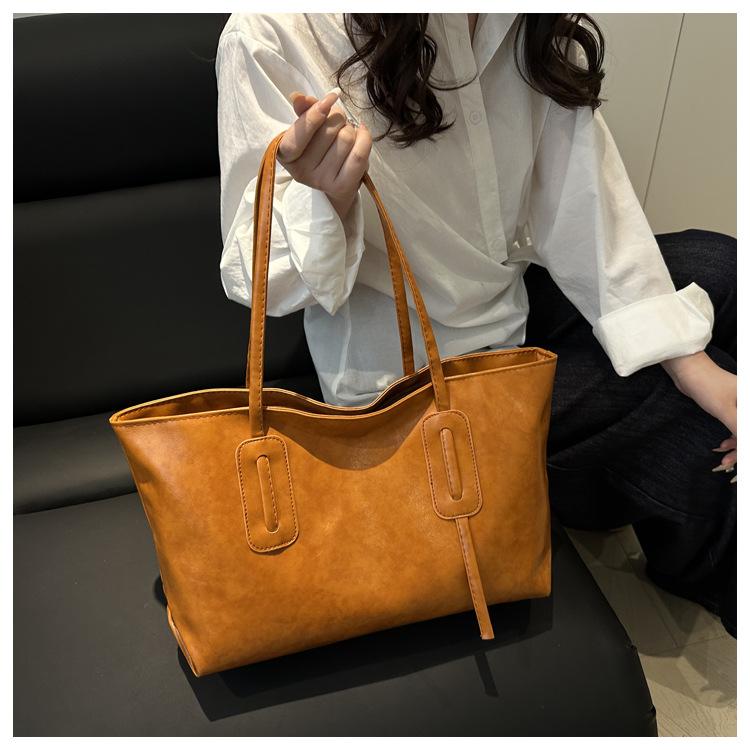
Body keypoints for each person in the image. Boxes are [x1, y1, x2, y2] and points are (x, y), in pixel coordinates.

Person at [215, 13, 737, 637]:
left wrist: (690, 363)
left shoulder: (522, 24)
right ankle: (702, 560)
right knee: (685, 418)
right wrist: (324, 201)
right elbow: (257, 281)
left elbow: (584, 204)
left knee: (722, 267)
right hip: (405, 379)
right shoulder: (273, 31)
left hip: (505, 301)